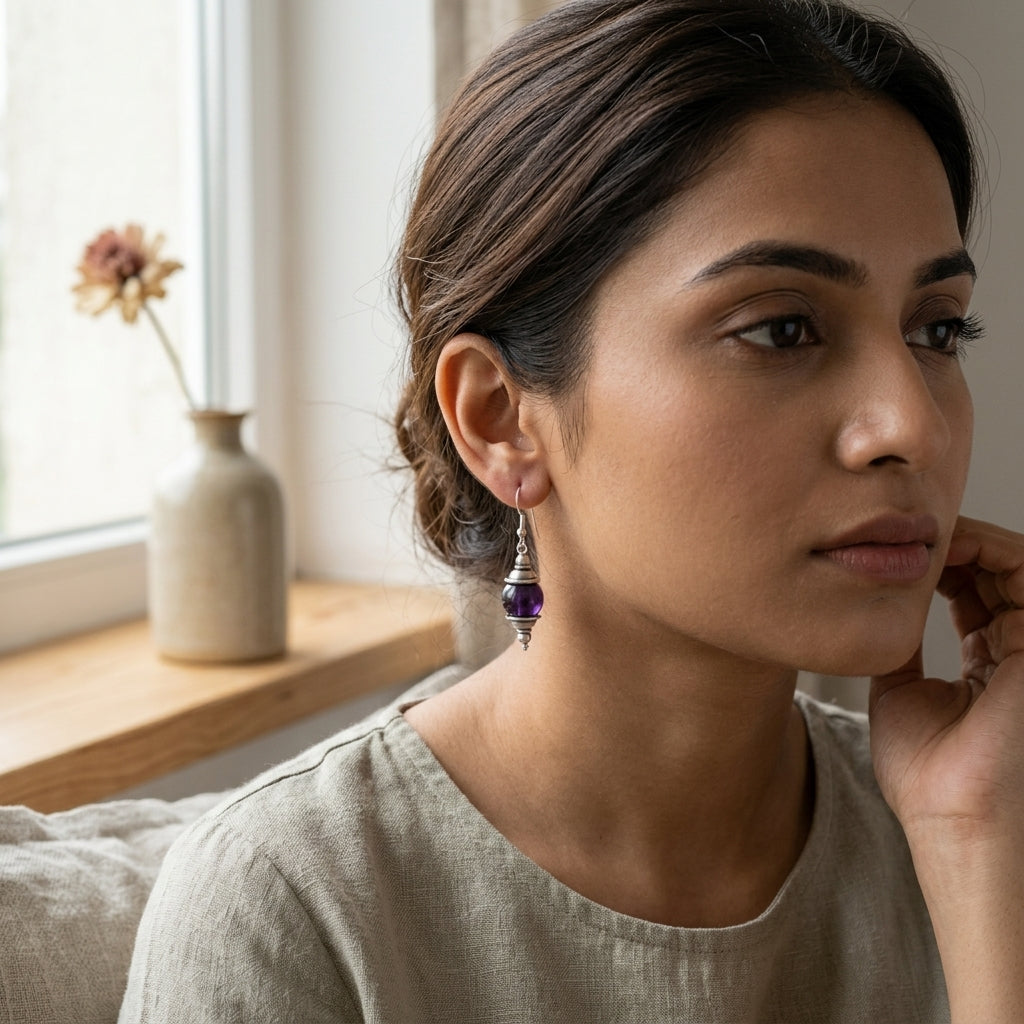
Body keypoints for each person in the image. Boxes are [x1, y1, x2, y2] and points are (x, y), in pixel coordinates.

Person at [120, 1, 1024, 1020]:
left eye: (936, 330)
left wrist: (972, 843)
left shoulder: (979, 813)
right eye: (781, 329)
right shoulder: (291, 906)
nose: (909, 424)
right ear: (500, 417)